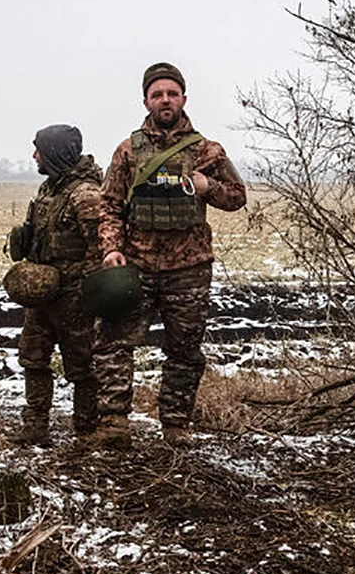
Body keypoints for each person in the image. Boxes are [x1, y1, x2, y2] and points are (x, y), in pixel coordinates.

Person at [93, 62, 247, 449]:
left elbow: (237, 197)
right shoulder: (127, 151)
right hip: (137, 267)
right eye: (157, 94)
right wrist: (111, 249)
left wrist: (207, 184)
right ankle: (113, 422)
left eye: (171, 93)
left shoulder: (205, 150)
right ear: (145, 100)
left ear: (183, 98)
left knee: (184, 350)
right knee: (113, 343)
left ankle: (175, 426)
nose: (165, 100)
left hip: (189, 270)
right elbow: (109, 205)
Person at [7, 125, 103, 446]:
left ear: (56, 153)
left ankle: (87, 428)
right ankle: (35, 426)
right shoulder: (50, 189)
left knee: (82, 364)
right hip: (43, 292)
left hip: (75, 296)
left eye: (40, 150)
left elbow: (100, 248)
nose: (35, 156)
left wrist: (86, 291)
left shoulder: (86, 195)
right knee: (33, 357)